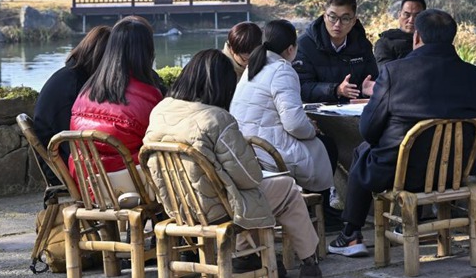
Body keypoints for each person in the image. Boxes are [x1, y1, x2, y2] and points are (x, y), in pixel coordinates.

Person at [144, 49, 322, 277]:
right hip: (216, 208)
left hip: (177, 206)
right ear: (223, 86)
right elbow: (249, 178)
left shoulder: (160, 110)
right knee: (286, 189)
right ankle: (309, 262)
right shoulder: (216, 118)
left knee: (255, 194)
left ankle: (248, 255)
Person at [328, 9, 476, 257]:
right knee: (384, 150)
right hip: (454, 174)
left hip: (400, 174)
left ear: (417, 37)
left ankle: (351, 234)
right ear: (452, 38)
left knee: (364, 150)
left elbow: (368, 129)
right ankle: (407, 224)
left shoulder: (395, 72)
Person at [230, 19, 335, 194]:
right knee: (327, 145)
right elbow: (295, 124)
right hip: (271, 154)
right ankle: (320, 206)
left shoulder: (254, 66)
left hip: (249, 149)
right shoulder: (282, 70)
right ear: (291, 49)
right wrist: (311, 129)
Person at [69, 16, 163, 176]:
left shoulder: (86, 90)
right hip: (128, 183)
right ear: (146, 52)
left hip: (87, 180)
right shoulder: (148, 96)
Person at [33, 25, 111, 185]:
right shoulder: (74, 86)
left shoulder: (70, 76)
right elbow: (74, 144)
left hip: (59, 162)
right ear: (103, 57)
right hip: (64, 170)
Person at [293, 0, 378, 104]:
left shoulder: (362, 45)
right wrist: (336, 90)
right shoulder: (305, 45)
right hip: (316, 111)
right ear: (324, 16)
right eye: (333, 17)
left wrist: (365, 89)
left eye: (345, 18)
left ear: (353, 21)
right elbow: (302, 87)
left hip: (353, 110)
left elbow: (372, 79)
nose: (337, 24)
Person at [373, 0, 427, 67]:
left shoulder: (431, 41)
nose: (411, 20)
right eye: (407, 15)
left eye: (417, 16)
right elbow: (385, 71)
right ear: (399, 15)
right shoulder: (386, 42)